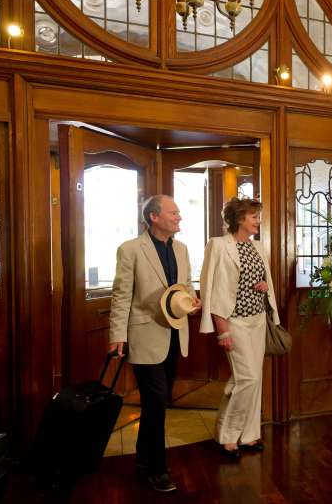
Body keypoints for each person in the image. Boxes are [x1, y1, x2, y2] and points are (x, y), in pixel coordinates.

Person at [108, 195, 200, 492]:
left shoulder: (182, 249)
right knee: (157, 402)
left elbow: (183, 287)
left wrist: (192, 298)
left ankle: (143, 458)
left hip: (175, 333)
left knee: (155, 404)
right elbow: (122, 295)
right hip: (145, 335)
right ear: (154, 217)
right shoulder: (130, 249)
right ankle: (158, 469)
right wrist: (117, 336)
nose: (179, 217)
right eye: (174, 213)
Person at [199, 197, 280, 459]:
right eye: (253, 216)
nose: (258, 220)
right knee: (248, 378)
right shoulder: (219, 245)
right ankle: (227, 435)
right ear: (239, 219)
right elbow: (211, 288)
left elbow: (262, 280)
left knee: (250, 379)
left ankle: (248, 435)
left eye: (258, 216)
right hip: (233, 322)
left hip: (257, 321)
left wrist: (265, 286)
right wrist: (221, 329)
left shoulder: (258, 247)